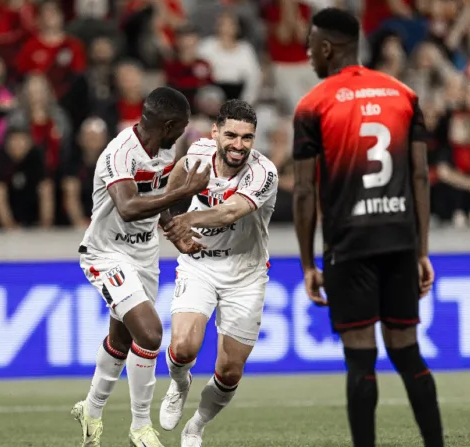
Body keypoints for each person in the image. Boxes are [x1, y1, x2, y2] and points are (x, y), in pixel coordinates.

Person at [292, 8, 444, 447]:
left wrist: (307, 263)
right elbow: (419, 176)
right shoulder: (404, 95)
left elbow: (304, 191)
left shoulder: (312, 105)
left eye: (309, 46)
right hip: (399, 239)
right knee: (407, 352)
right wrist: (421, 251)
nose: (306, 54)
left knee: (361, 361)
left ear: (326, 48)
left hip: (349, 243)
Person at [71, 86, 211, 447]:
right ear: (168, 124)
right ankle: (139, 427)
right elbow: (130, 206)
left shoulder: (164, 149)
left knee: (121, 339)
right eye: (181, 126)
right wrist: (183, 193)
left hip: (144, 254)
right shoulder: (120, 153)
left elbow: (155, 196)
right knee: (149, 333)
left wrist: (172, 231)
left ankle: (91, 409)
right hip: (106, 253)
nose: (184, 132)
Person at [158, 99, 278, 447]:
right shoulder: (197, 152)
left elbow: (229, 212)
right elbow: (174, 183)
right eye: (231, 135)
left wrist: (186, 220)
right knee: (183, 347)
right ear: (215, 133)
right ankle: (180, 384)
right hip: (201, 266)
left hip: (246, 275)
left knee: (229, 371)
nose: (238, 145)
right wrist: (172, 225)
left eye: (247, 138)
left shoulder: (263, 172)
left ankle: (196, 424)